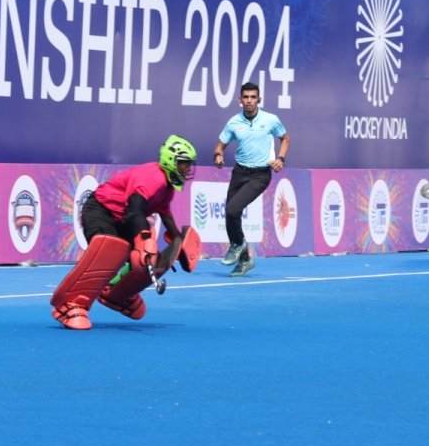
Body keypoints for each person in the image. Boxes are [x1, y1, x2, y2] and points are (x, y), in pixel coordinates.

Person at [50, 135, 199, 330]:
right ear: (170, 161)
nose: (188, 168)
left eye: (189, 164)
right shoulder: (153, 178)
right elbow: (134, 210)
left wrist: (179, 243)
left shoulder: (167, 188)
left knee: (153, 260)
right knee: (109, 250)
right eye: (184, 163)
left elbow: (165, 214)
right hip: (100, 210)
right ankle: (69, 304)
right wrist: (144, 240)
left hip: (123, 217)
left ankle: (116, 293)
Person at [213, 82, 290, 277]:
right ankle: (245, 259)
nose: (249, 101)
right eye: (245, 97)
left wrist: (280, 158)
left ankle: (237, 245)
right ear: (240, 100)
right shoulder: (233, 122)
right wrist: (218, 156)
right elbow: (220, 146)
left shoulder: (270, 120)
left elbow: (285, 138)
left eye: (252, 97)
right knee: (231, 214)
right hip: (239, 173)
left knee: (232, 209)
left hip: (260, 175)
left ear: (259, 99)